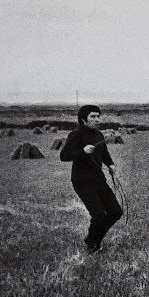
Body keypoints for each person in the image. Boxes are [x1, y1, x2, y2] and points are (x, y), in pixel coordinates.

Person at [60, 104, 123, 253]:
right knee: (98, 215)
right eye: (93, 116)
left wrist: (111, 164)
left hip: (99, 179)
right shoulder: (76, 135)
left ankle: (92, 239)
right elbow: (64, 156)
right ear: (83, 119)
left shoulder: (99, 135)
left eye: (98, 116)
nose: (97, 119)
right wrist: (83, 151)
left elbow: (104, 153)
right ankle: (93, 245)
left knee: (115, 211)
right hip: (82, 181)